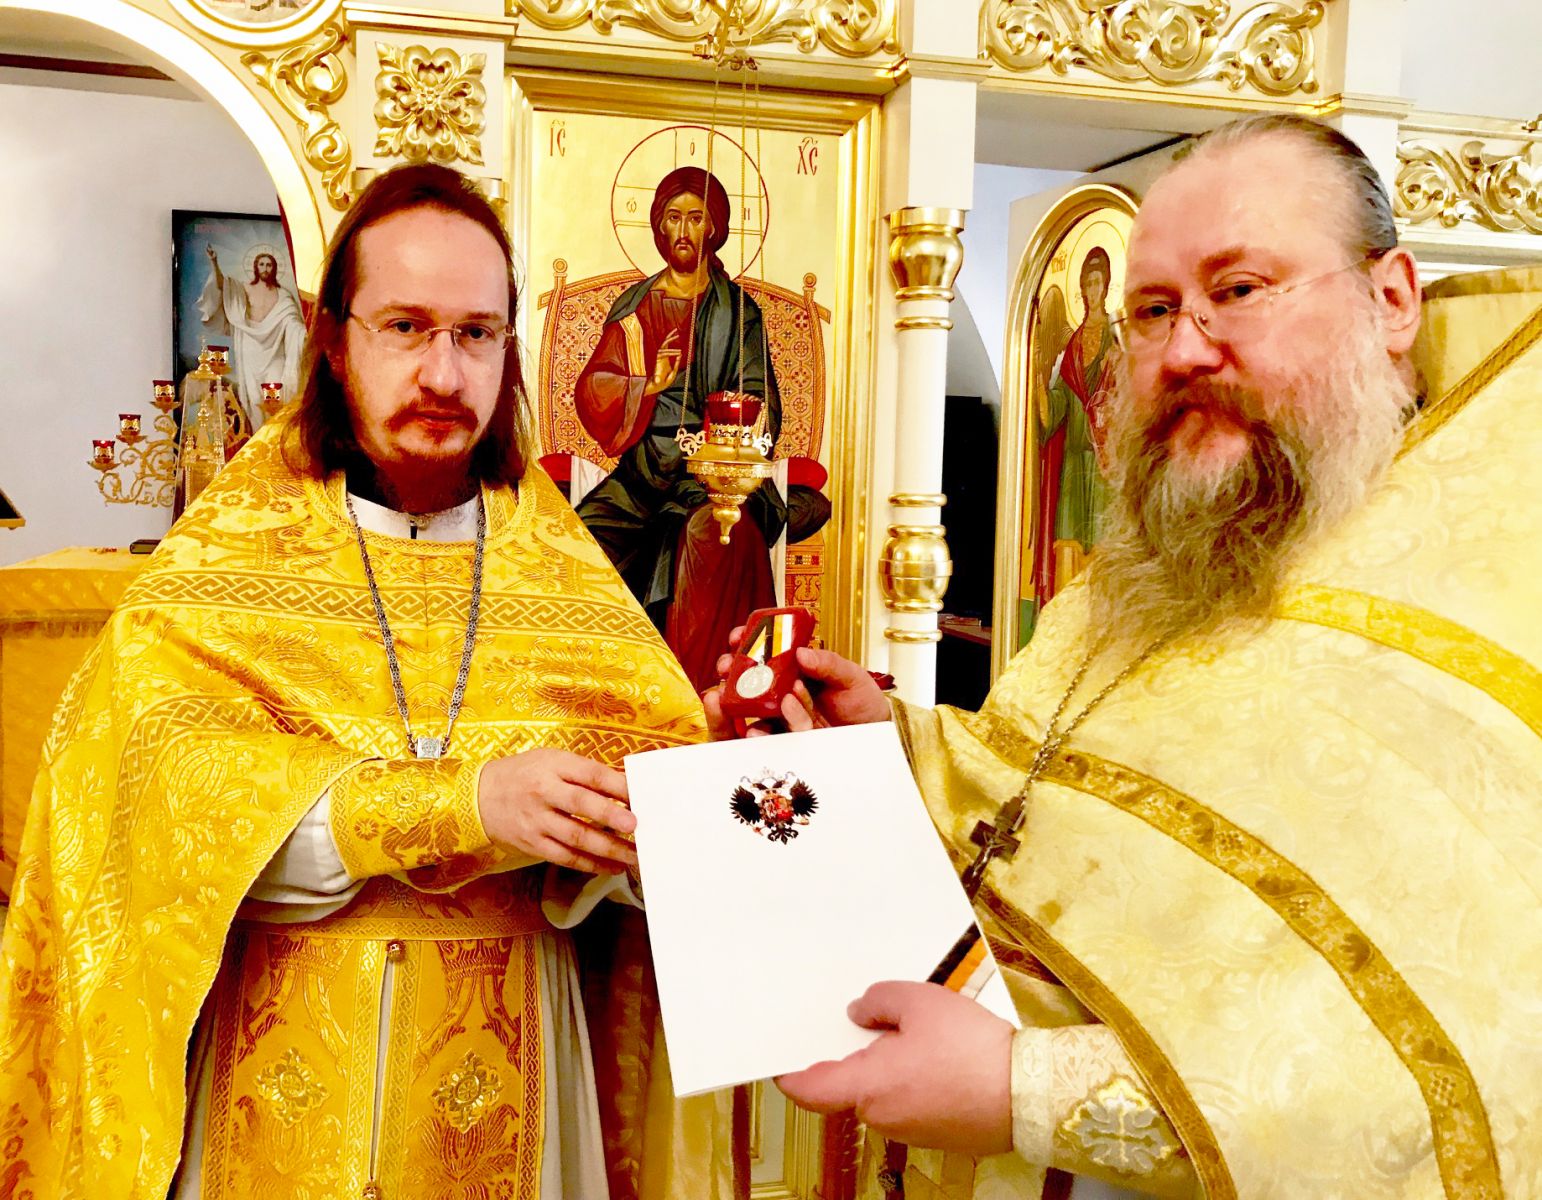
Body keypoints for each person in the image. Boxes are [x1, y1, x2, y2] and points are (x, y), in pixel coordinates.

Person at [709, 115, 1541, 1199]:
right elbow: (1055, 794)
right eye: (1152, 311)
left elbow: (1478, 1048)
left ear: (1391, 300)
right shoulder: (1180, 548)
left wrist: (1030, 1089)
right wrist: (899, 744)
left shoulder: (1497, 591)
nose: (1186, 349)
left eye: (1239, 289)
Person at [0, 164, 737, 1198]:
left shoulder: (565, 579)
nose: (444, 371)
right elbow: (150, 813)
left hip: (518, 1088)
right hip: (270, 1076)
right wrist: (460, 808)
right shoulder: (228, 562)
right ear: (334, 341)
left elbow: (644, 861)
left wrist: (657, 810)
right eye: (406, 327)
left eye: (476, 334)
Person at [573, 167, 796, 693]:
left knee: (706, 537)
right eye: (673, 217)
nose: (683, 230)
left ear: (713, 228)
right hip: (642, 471)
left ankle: (698, 694)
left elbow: (761, 398)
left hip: (710, 473)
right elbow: (593, 388)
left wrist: (730, 424)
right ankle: (601, 686)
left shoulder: (737, 310)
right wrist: (647, 386)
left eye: (696, 218)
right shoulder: (635, 307)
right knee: (580, 539)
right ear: (658, 226)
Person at [1032, 247, 1116, 621]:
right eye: (1087, 284)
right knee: (1067, 541)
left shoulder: (1118, 341)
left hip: (1103, 464)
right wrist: (1036, 382)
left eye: (1097, 283)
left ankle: (1099, 624)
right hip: (1072, 462)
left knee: (1101, 539)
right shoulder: (1074, 346)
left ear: (1107, 286)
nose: (1092, 291)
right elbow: (1059, 404)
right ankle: (1064, 624)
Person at [201, 243, 306, 424]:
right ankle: (257, 438)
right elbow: (221, 286)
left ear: (274, 268)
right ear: (256, 267)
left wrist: (303, 333)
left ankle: (274, 438)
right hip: (250, 353)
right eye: (261, 264)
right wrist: (214, 262)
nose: (265, 268)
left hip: (274, 353)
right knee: (254, 400)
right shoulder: (244, 289)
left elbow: (293, 324)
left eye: (269, 265)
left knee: (277, 396)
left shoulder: (283, 296)